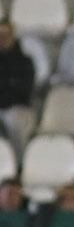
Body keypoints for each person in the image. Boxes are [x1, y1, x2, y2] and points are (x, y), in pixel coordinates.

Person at [0, 19, 35, 156]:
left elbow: (23, 91)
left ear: (13, 36)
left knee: (14, 123)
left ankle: (19, 165)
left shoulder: (25, 62)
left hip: (18, 108)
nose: (2, 39)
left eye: (6, 35)